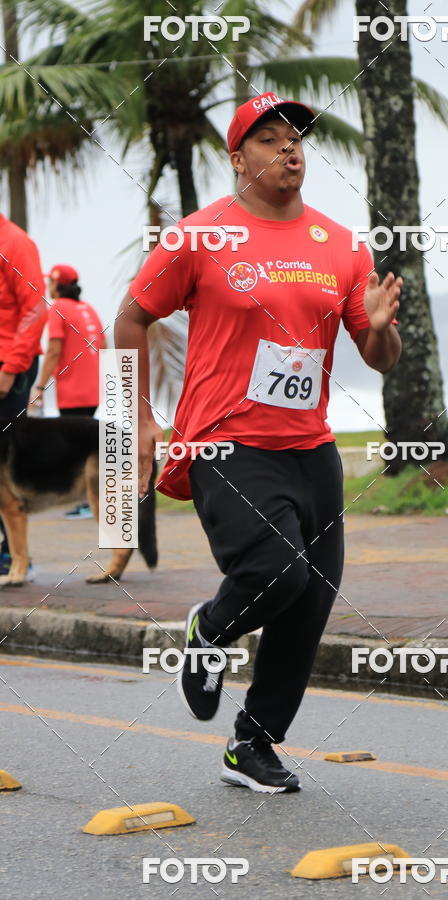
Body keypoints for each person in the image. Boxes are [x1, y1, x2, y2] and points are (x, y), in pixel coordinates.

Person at [116, 92, 402, 793]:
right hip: (225, 442)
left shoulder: (340, 244)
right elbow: (129, 320)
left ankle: (252, 744)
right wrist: (140, 418)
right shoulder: (199, 237)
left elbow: (379, 358)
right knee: (280, 570)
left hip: (310, 449)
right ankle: (210, 631)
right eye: (269, 139)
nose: (289, 149)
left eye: (296, 138)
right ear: (238, 158)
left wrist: (382, 329)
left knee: (310, 600)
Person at [31, 264, 105, 519]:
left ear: (56, 284)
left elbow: (53, 349)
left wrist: (39, 387)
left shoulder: (58, 308)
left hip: (73, 390)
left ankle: (88, 502)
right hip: (94, 388)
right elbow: (103, 345)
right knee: (87, 446)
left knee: (77, 450)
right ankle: (91, 500)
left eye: (49, 283)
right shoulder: (88, 309)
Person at [0, 213, 47, 576]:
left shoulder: (14, 242)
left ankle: (16, 556)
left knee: (6, 466)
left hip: (8, 366)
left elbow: (35, 308)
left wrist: (11, 367)